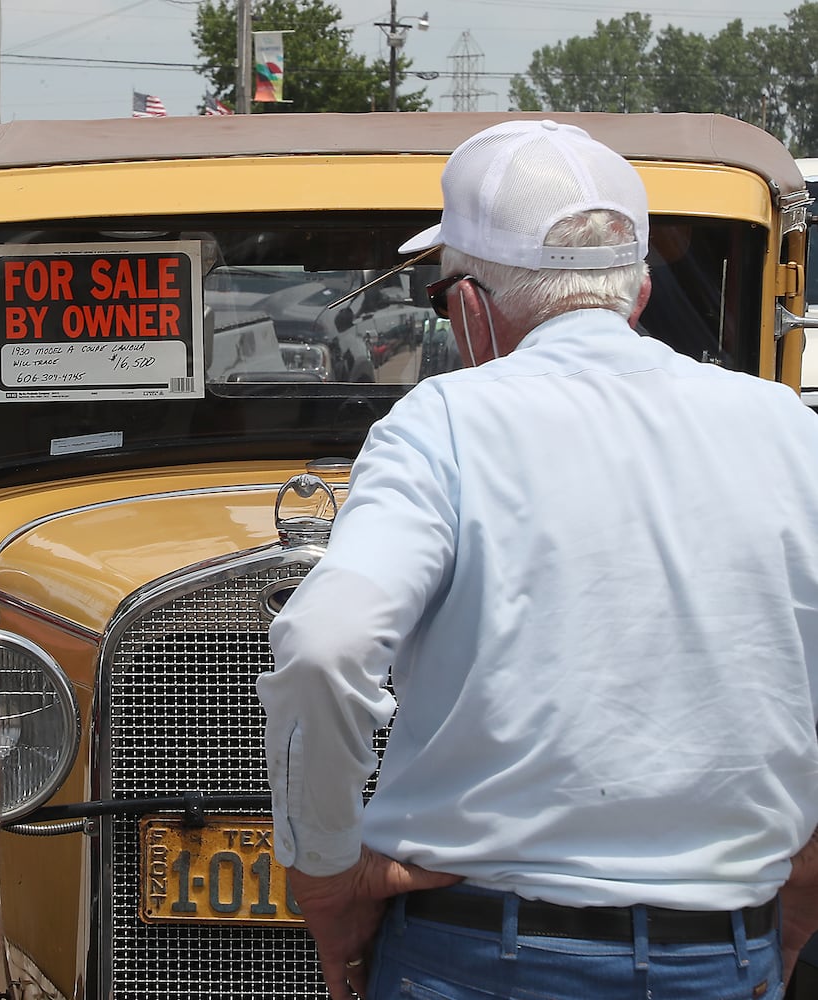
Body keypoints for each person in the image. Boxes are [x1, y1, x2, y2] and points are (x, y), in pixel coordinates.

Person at [257, 118, 818, 1000]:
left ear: (472, 308)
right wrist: (799, 892)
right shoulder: (790, 429)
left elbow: (326, 648)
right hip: (719, 957)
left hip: (476, 955)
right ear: (633, 297)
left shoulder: (442, 421)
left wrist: (327, 873)